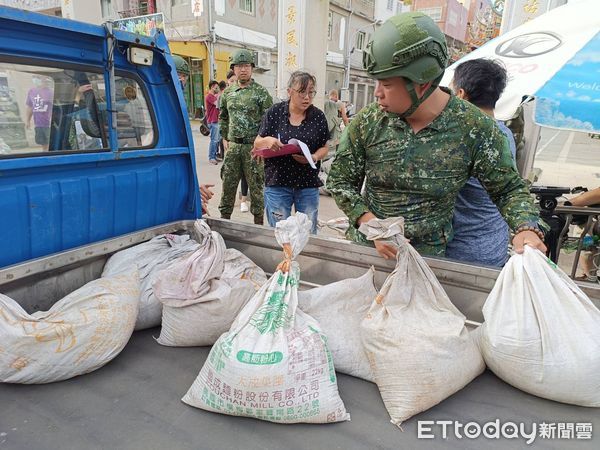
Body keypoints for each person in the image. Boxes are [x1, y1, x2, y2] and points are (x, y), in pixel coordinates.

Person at [327, 12, 546, 260]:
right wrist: (371, 224)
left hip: (429, 260)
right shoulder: (369, 122)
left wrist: (526, 228)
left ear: (421, 84)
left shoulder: (475, 128)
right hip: (369, 250)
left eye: (387, 85)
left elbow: (508, 189)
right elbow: (340, 182)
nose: (377, 93)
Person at [445, 59, 517, 267]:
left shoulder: (463, 136)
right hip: (494, 249)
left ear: (460, 95)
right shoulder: (505, 134)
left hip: (461, 256)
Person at [254, 71, 329, 234]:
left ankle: (304, 260)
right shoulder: (274, 113)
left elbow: (325, 146)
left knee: (307, 232)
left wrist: (314, 157)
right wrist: (269, 141)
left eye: (311, 92)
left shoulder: (317, 116)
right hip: (278, 182)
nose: (307, 97)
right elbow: (257, 142)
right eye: (302, 92)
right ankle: (284, 260)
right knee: (281, 232)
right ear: (289, 92)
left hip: (307, 183)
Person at [218, 49, 273, 225]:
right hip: (233, 147)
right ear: (233, 69)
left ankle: (258, 223)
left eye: (247, 66)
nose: (243, 69)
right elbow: (223, 116)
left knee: (257, 187)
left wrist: (262, 143)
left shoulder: (261, 93)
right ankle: (224, 222)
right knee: (228, 184)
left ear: (252, 68)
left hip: (253, 148)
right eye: (239, 66)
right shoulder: (227, 93)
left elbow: (269, 120)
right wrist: (225, 138)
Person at [320, 89, 349, 196]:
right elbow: (345, 118)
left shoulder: (324, 104)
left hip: (326, 132)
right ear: (336, 96)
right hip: (335, 133)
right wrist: (348, 130)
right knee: (335, 155)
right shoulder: (340, 104)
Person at [25, 75, 54, 151]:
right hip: (38, 123)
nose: (36, 79)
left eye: (38, 77)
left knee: (50, 144)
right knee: (43, 144)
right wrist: (28, 121)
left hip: (49, 124)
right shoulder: (32, 91)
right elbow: (30, 107)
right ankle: (45, 156)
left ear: (45, 78)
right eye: (34, 77)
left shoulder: (51, 92)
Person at [205, 80, 220, 165]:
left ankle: (215, 155)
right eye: (216, 87)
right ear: (212, 87)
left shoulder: (213, 96)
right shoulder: (209, 96)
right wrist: (220, 94)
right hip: (213, 121)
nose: (217, 89)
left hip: (216, 120)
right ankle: (211, 157)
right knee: (214, 140)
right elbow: (218, 104)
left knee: (217, 140)